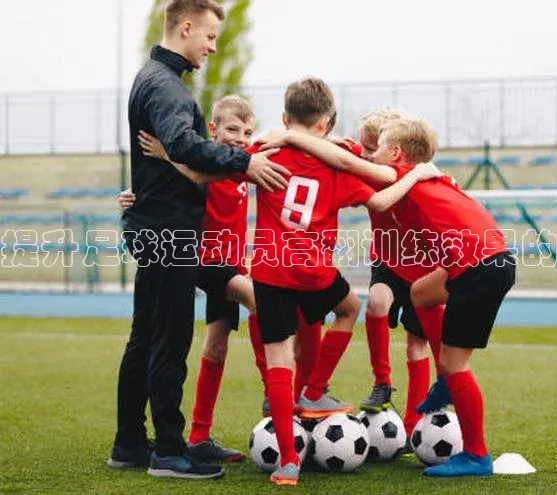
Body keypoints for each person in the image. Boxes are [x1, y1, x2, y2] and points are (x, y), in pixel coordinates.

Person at [258, 115, 516, 477]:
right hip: (480, 259)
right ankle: (443, 381)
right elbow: (347, 151)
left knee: (457, 364)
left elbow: (348, 163)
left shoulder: (399, 175)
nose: (371, 153)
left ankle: (476, 454)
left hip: (479, 267)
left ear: (396, 152)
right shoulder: (432, 175)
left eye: (377, 148)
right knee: (420, 293)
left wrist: (288, 135)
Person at [109, 0, 288, 480]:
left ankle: (129, 443)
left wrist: (149, 185)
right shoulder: (166, 87)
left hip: (155, 226)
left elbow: (176, 153)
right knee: (168, 339)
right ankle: (169, 450)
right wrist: (244, 162)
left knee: (144, 336)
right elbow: (185, 146)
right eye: (208, 36)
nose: (211, 47)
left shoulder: (153, 78)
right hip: (169, 232)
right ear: (185, 28)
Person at [248, 77, 441, 485]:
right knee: (349, 307)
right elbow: (379, 198)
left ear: (286, 117)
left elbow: (221, 168)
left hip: (269, 268)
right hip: (314, 270)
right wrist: (418, 175)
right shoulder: (336, 166)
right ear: (327, 124)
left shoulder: (265, 151)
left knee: (279, 356)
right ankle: (315, 390)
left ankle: (287, 463)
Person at [353, 109, 445, 442]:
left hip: (423, 269)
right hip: (388, 262)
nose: (363, 154)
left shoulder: (421, 179)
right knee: (376, 300)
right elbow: (341, 152)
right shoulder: (366, 164)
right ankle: (382, 382)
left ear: (391, 151)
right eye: (363, 148)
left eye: (369, 148)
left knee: (417, 344)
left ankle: (413, 423)